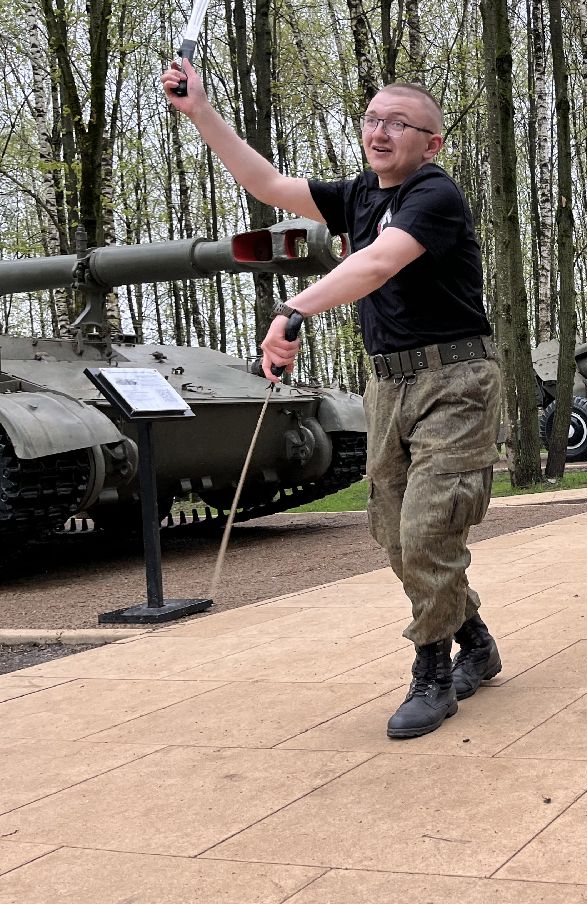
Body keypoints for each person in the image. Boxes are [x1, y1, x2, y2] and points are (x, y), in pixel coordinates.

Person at [162, 60, 503, 737]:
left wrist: (294, 308)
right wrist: (200, 111)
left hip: (455, 381)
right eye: (373, 119)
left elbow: (376, 262)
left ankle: (433, 673)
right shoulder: (356, 196)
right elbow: (263, 182)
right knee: (392, 530)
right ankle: (477, 640)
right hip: (388, 381)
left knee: (428, 527)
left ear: (430, 143)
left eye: (399, 124)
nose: (380, 132)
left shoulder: (434, 196)